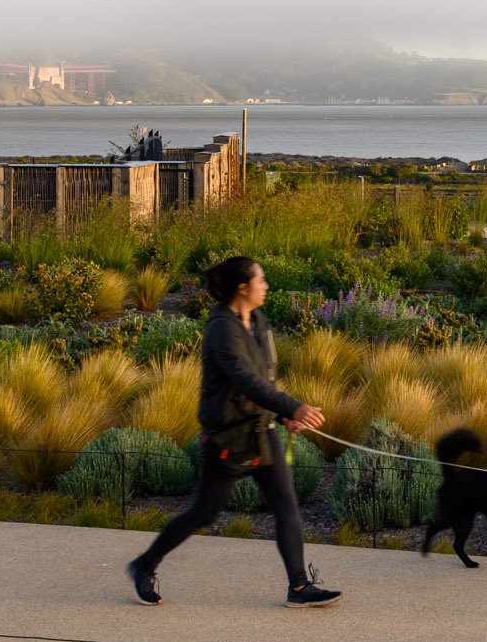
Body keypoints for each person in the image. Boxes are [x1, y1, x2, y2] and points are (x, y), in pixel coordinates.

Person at [127, 256, 341, 608]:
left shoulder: (258, 321)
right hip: (228, 438)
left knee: (287, 508)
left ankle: (299, 588)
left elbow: (264, 380)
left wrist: (283, 416)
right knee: (204, 513)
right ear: (243, 287)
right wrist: (293, 406)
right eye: (261, 280)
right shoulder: (221, 329)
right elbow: (244, 379)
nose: (266, 285)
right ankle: (144, 564)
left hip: (262, 432)